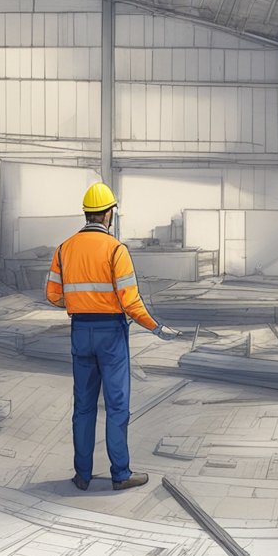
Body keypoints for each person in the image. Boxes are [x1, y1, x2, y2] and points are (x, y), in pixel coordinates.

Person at [45, 183, 180, 491]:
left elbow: (52, 295)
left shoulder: (64, 248)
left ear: (87, 214)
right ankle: (120, 474)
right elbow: (131, 302)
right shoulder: (116, 250)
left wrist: (80, 304)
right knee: (117, 405)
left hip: (80, 330)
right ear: (108, 215)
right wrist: (156, 328)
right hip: (111, 333)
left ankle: (82, 475)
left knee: (84, 406)